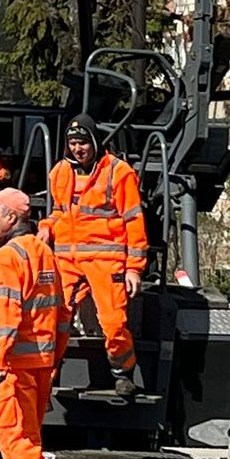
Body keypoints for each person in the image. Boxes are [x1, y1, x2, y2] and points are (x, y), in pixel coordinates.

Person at [0, 187, 67, 459]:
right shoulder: (45, 254)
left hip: (13, 365)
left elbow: (5, 317)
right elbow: (62, 315)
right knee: (29, 435)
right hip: (40, 363)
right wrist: (54, 358)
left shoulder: (7, 258)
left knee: (15, 437)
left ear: (12, 217)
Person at [44, 113, 148, 398]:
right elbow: (59, 213)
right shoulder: (59, 173)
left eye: (83, 142)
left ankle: (122, 372)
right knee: (54, 319)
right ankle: (47, 375)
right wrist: (45, 228)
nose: (78, 148)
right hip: (67, 261)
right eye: (73, 143)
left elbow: (134, 220)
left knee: (114, 322)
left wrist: (134, 268)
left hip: (106, 261)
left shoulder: (119, 172)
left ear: (95, 142)